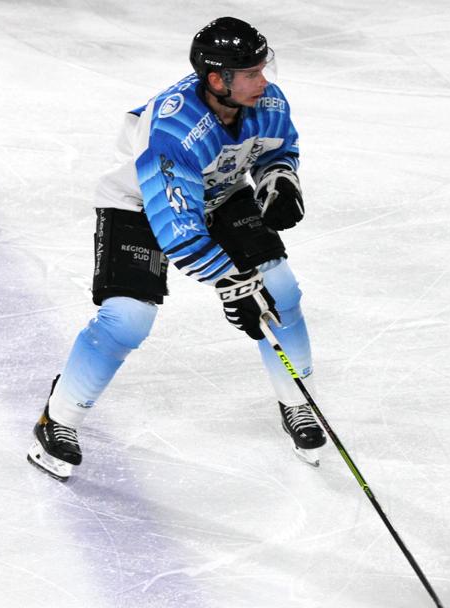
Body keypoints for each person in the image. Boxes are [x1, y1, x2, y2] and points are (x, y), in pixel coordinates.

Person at [28, 17, 326, 481]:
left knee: (280, 290)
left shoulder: (266, 100)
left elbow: (276, 148)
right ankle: (59, 418)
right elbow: (179, 230)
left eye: (262, 68)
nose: (263, 81)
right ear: (216, 79)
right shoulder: (175, 130)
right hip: (140, 205)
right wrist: (233, 286)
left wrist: (278, 180)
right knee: (128, 319)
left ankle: (297, 401)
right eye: (250, 73)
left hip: (220, 193)